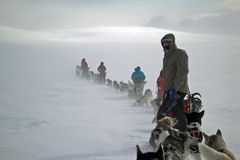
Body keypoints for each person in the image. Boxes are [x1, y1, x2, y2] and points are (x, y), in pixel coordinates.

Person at [156, 33, 189, 132]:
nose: (165, 45)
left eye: (168, 42)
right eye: (163, 43)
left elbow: (182, 72)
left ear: (173, 42)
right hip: (169, 89)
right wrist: (161, 75)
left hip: (178, 89)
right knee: (175, 112)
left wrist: (175, 88)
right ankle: (177, 134)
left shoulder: (180, 54)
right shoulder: (166, 56)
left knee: (163, 113)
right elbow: (167, 69)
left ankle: (161, 135)